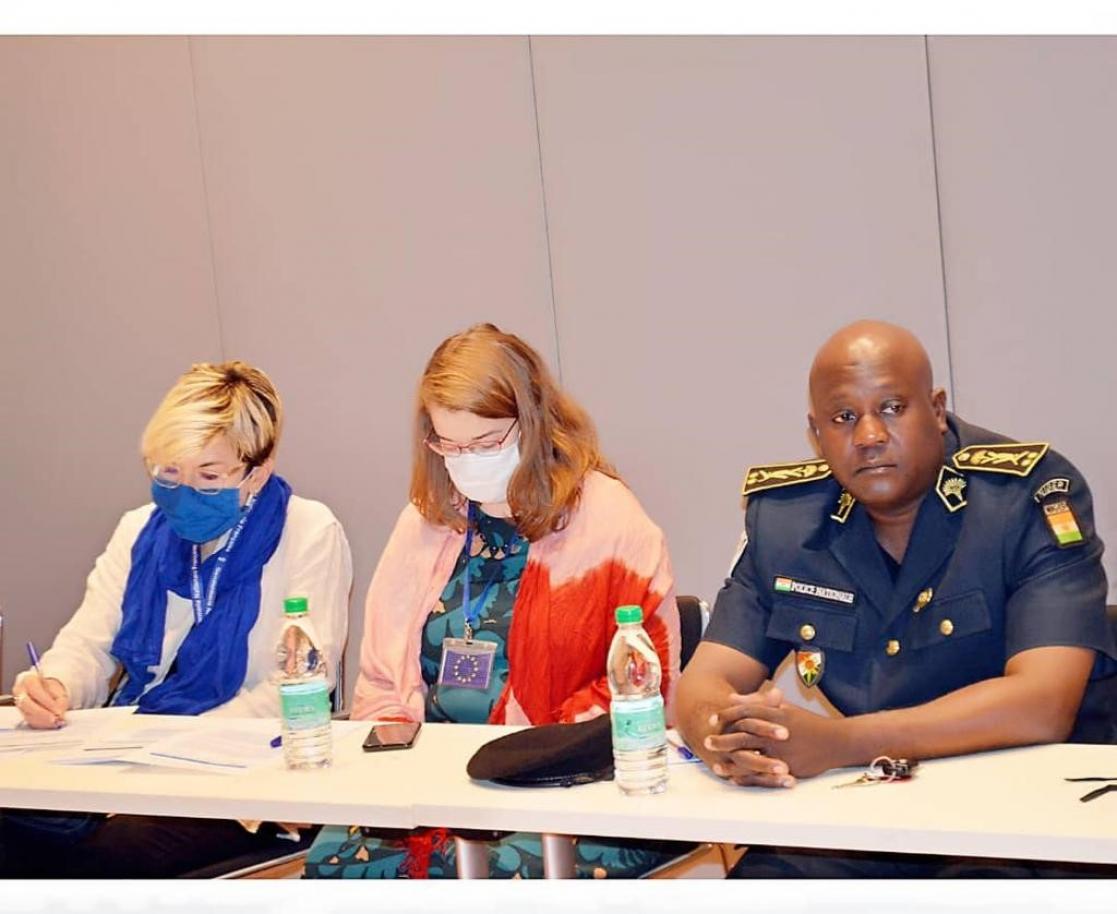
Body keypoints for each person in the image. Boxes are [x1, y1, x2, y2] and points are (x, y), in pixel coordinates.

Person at [676, 320, 1117, 878]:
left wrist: (840, 743)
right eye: (843, 418)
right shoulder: (786, 520)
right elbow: (702, 683)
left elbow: (1043, 704)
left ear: (935, 409)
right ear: (816, 432)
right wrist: (728, 737)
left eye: (890, 408)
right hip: (871, 814)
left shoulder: (1026, 496)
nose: (868, 436)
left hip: (1022, 819)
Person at [305, 323, 684, 879]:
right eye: (450, 446)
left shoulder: (608, 520)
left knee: (489, 876)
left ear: (533, 424)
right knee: (333, 868)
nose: (467, 461)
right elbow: (382, 683)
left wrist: (520, 762)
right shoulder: (426, 520)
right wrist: (398, 766)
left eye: (486, 444)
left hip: (571, 780)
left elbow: (647, 682)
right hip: (431, 778)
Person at [0, 360, 352, 877]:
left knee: (111, 858)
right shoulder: (138, 529)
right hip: (127, 757)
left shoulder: (308, 530)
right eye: (169, 473)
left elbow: (297, 684)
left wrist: (180, 746)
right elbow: (89, 644)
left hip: (242, 775)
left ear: (259, 470)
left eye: (209, 478)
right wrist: (54, 684)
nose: (184, 493)